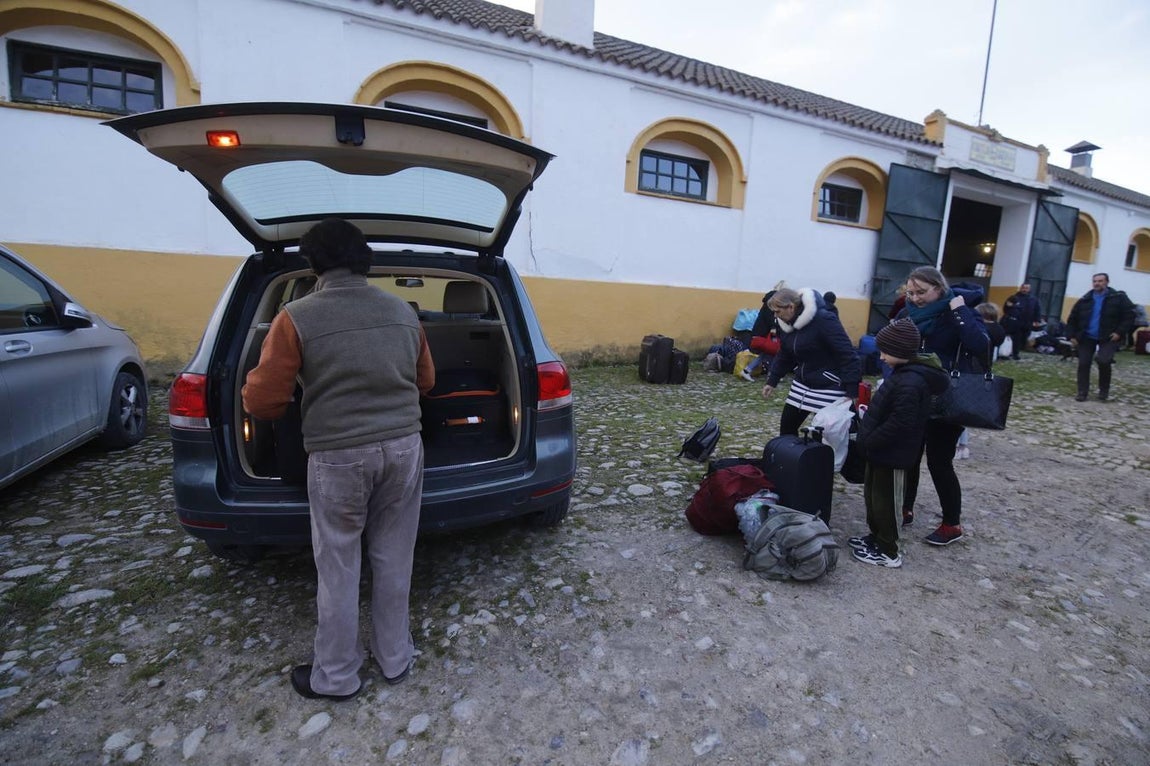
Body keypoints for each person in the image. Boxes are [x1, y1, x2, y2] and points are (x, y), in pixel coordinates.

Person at [242, 218, 436, 701]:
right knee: (394, 558)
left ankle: (336, 677)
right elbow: (426, 382)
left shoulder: (296, 317)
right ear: (365, 262)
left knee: (339, 566)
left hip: (338, 457)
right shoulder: (403, 312)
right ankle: (396, 658)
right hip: (405, 448)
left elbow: (263, 403)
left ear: (313, 264)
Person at [894, 266, 990, 546]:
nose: (915, 298)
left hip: (947, 397)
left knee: (939, 461)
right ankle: (905, 507)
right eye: (910, 292)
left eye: (922, 292)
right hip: (912, 393)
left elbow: (980, 345)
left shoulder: (959, 313)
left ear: (939, 288)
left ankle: (952, 523)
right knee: (907, 456)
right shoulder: (906, 314)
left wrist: (958, 311)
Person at [849, 319, 949, 568]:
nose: (881, 357)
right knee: (873, 499)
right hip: (878, 451)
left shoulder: (911, 382)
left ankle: (889, 550)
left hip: (892, 452)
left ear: (901, 352)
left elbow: (900, 422)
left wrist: (872, 439)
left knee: (887, 503)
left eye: (885, 351)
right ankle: (876, 537)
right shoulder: (902, 375)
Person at [760, 287, 861, 435]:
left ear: (791, 307)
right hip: (802, 383)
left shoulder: (824, 319)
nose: (775, 316)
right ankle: (790, 456)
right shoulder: (785, 324)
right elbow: (785, 354)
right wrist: (772, 380)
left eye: (778, 311)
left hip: (829, 384)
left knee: (828, 433)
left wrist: (852, 390)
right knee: (787, 428)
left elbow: (846, 353)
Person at [1064, 272, 1136, 402]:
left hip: (1109, 336)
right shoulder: (1085, 299)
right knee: (1084, 363)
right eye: (1095, 281)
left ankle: (1103, 391)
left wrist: (1119, 332)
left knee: (1103, 360)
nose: (1097, 283)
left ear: (1107, 282)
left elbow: (1129, 316)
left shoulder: (1118, 297)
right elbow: (1072, 318)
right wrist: (1072, 335)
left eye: (1100, 281)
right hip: (1087, 336)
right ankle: (1082, 392)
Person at [954, 302, 1007, 460]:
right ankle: (963, 445)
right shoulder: (998, 330)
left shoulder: (982, 331)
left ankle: (958, 445)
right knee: (965, 414)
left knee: (959, 412)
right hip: (981, 371)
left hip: (970, 372)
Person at [1001, 283, 1044, 360]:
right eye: (1023, 288)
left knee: (1023, 338)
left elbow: (1037, 310)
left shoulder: (1033, 299)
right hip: (1015, 322)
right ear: (1020, 288)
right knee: (1015, 338)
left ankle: (1017, 351)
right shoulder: (1014, 297)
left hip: (1027, 322)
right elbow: (1006, 308)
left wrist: (1037, 320)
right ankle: (1013, 353)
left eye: (1026, 288)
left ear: (1029, 289)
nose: (1024, 289)